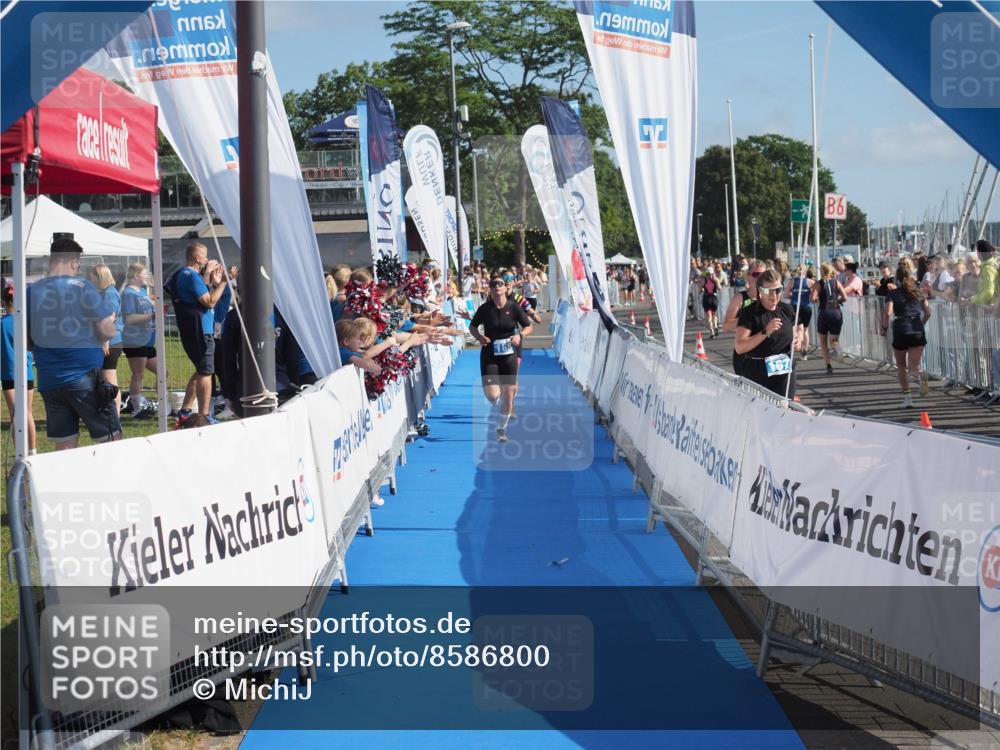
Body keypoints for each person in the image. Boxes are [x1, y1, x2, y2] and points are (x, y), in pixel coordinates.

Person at [26, 234, 120, 449]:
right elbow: (107, 329)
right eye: (78, 264)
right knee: (112, 441)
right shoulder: (83, 287)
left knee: (64, 447)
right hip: (84, 377)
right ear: (72, 261)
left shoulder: (31, 291)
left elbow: (27, 340)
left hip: (49, 379)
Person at [164, 242, 228, 424]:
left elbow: (202, 294)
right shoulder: (189, 276)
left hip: (197, 329)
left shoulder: (187, 276)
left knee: (201, 370)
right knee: (207, 373)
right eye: (206, 257)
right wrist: (223, 283)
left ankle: (185, 411)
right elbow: (209, 302)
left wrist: (210, 280)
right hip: (201, 330)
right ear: (198, 258)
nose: (208, 260)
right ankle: (204, 416)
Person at [470, 277, 534, 443]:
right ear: (490, 290)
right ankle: (497, 397)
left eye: (499, 284)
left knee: (509, 396)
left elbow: (528, 326)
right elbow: (472, 326)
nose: (496, 286)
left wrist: (520, 335)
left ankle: (501, 429)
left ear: (505, 288)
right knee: (493, 396)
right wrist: (479, 337)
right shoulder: (485, 309)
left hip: (509, 355)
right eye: (493, 284)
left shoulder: (514, 307)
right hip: (489, 354)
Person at [734, 269, 800, 398]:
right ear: (760, 291)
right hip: (758, 371)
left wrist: (796, 342)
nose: (774, 295)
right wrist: (765, 331)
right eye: (769, 291)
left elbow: (794, 335)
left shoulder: (787, 310)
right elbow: (740, 347)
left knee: (785, 410)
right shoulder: (750, 313)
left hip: (784, 370)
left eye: (778, 290)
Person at [882, 260, 931, 408]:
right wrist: (920, 324)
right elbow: (928, 313)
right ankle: (921, 375)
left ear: (896, 278)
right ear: (910, 278)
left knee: (902, 366)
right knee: (913, 367)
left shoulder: (892, 294)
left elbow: (888, 313)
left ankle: (908, 398)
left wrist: (884, 327)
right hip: (917, 329)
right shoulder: (919, 293)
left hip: (901, 330)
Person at [1, 282, 36, 453]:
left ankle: (19, 453)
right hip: (27, 372)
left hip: (8, 374)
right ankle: (33, 450)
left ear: (3, 302)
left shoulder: (2, 324)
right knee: (27, 412)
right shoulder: (25, 323)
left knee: (15, 414)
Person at [120, 263, 158, 420]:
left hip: (148, 339)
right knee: (138, 374)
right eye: (144, 273)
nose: (147, 276)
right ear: (136, 276)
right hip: (134, 340)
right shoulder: (128, 293)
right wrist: (151, 316)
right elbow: (129, 318)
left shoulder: (142, 291)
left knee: (163, 372)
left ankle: (159, 402)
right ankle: (137, 408)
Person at [89, 264, 123, 415]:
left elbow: (110, 318)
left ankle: (115, 414)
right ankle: (111, 412)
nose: (91, 281)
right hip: (108, 340)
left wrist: (105, 340)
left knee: (110, 380)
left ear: (100, 277)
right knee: (106, 378)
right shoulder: (105, 293)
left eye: (93, 278)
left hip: (111, 341)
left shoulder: (109, 293)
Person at [723, 259, 765, 376]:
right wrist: (747, 317)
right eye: (756, 274)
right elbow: (726, 326)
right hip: (745, 353)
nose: (759, 278)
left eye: (762, 275)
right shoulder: (740, 298)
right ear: (748, 276)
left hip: (766, 353)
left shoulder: (772, 297)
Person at [812, 262, 847, 374]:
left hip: (824, 312)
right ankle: (836, 349)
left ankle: (828, 365)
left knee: (823, 341)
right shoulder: (836, 282)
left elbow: (813, 299)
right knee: (833, 340)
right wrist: (838, 301)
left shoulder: (818, 284)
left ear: (821, 271)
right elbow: (845, 297)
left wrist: (817, 300)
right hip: (836, 312)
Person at [782, 265, 814, 360]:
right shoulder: (810, 282)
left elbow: (785, 295)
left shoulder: (792, 282)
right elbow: (814, 295)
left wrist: (793, 296)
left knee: (795, 328)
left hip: (795, 307)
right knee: (805, 329)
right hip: (806, 307)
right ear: (806, 271)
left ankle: (796, 347)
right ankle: (804, 353)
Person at [700, 269, 720, 338]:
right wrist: (716, 282)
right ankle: (716, 326)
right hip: (714, 298)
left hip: (706, 298)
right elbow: (719, 288)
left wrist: (702, 288)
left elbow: (699, 290)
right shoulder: (715, 279)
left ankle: (712, 332)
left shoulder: (703, 280)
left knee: (709, 316)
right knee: (714, 314)